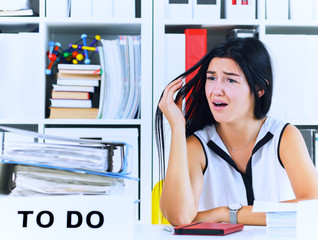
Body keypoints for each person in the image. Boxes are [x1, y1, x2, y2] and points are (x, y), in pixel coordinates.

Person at [155, 37, 318, 226]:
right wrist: (177, 127)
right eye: (211, 78)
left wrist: (225, 213)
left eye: (230, 80)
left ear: (259, 89)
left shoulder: (284, 137)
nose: (216, 90)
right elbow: (179, 218)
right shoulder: (198, 145)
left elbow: (312, 207)